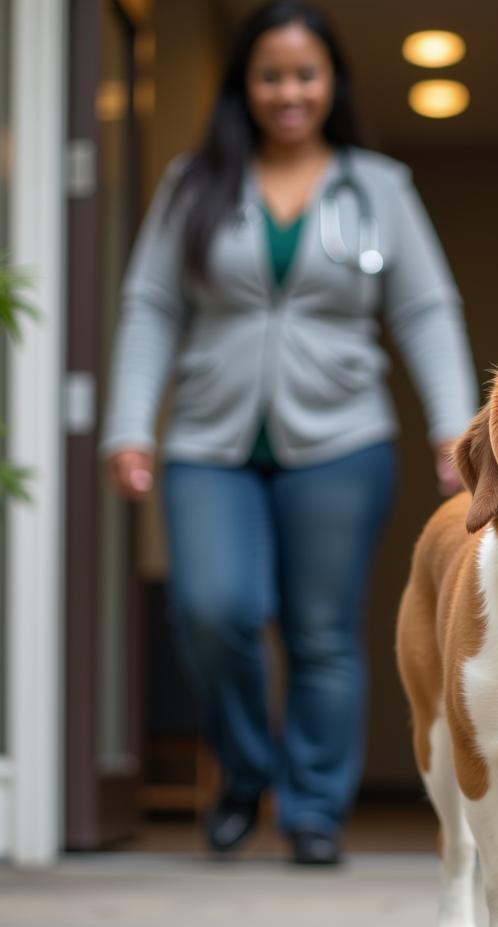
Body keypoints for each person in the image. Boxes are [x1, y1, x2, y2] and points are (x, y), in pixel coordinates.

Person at [101, 0, 477, 866]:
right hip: (207, 438)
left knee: (322, 631)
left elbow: (425, 309)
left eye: (305, 73)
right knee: (211, 610)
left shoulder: (378, 187)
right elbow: (151, 307)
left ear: (331, 82)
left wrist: (452, 427)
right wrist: (130, 427)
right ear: (245, 86)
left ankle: (312, 811)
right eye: (270, 74)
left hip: (343, 436)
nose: (289, 91)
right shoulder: (192, 183)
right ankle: (243, 769)